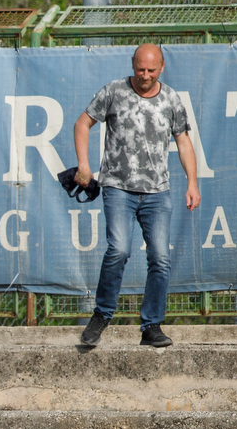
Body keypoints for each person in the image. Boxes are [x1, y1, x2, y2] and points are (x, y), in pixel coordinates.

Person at [74, 43, 202, 350]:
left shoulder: (171, 98)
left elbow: (183, 142)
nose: (145, 75)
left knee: (160, 257)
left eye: (151, 70)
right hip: (118, 187)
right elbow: (82, 124)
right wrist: (84, 166)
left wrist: (192, 182)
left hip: (158, 192)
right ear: (133, 65)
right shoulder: (114, 91)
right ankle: (102, 315)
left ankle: (151, 326)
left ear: (162, 67)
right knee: (118, 249)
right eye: (140, 69)